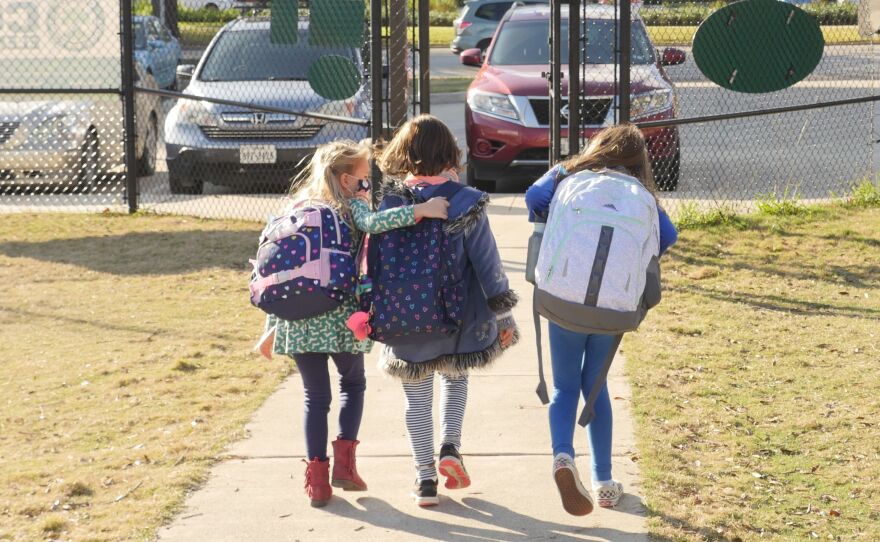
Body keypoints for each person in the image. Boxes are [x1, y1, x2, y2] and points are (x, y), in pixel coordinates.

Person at [258, 140, 450, 507]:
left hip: (297, 321)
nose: (367, 188)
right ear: (345, 181)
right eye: (364, 181)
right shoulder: (350, 206)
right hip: (340, 316)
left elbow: (276, 269)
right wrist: (422, 210)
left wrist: (271, 324)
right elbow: (375, 224)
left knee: (315, 397)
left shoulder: (295, 208)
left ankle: (317, 481)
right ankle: (345, 466)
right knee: (352, 383)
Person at [524, 124, 678, 514]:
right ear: (637, 161)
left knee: (564, 388)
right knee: (595, 388)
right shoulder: (641, 196)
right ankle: (605, 482)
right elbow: (669, 236)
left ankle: (562, 457)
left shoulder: (572, 179)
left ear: (598, 149)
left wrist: (566, 167)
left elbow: (533, 196)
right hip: (613, 308)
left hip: (563, 299)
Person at [373, 114, 519, 507]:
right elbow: (489, 267)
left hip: (406, 318)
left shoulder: (389, 203)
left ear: (404, 153)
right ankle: (450, 447)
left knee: (415, 398)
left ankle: (424, 481)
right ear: (450, 153)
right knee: (455, 379)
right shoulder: (465, 202)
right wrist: (505, 316)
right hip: (459, 318)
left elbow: (371, 262)